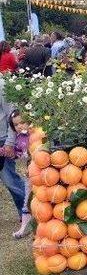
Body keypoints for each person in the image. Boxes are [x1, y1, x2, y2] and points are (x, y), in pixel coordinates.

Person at [0, 80, 31, 239]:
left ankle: (26, 213)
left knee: (10, 180)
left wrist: (9, 143)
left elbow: (11, 114)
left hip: (2, 138)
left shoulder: (1, 84)